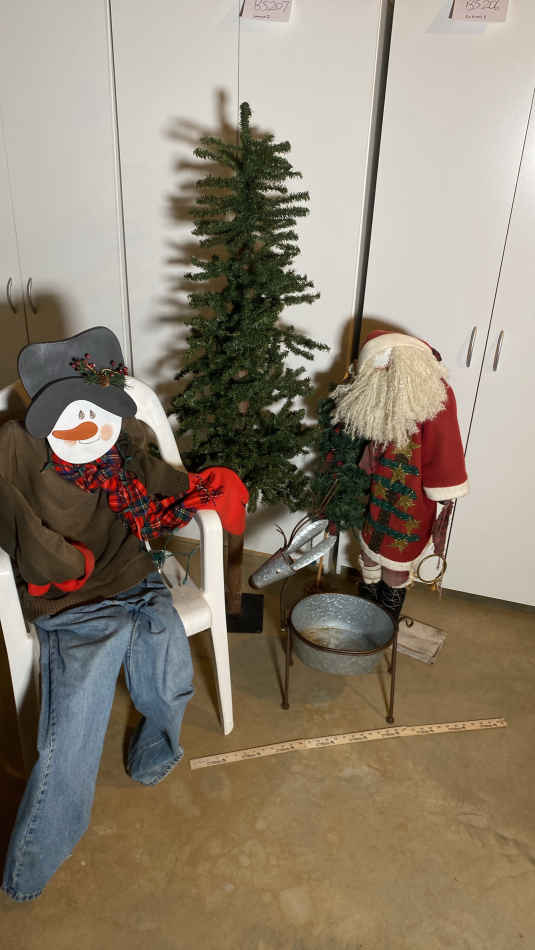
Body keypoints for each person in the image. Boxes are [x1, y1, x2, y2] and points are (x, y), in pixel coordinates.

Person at [1, 326, 247, 901]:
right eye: (73, 411)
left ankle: (154, 752)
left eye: (99, 409)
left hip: (136, 576)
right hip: (68, 598)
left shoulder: (123, 439)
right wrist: (58, 560)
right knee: (76, 719)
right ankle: (30, 869)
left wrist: (200, 488)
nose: (89, 425)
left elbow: (156, 478)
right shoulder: (16, 448)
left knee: (171, 672)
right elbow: (6, 510)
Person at [331, 330, 469, 618]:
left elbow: (445, 445)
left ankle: (387, 615)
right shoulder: (375, 395)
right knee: (370, 546)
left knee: (398, 554)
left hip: (413, 495)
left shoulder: (433, 395)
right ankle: (366, 604)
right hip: (377, 490)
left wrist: (446, 487)